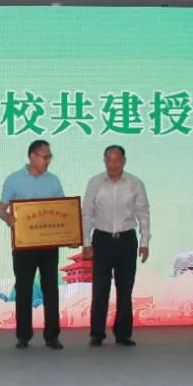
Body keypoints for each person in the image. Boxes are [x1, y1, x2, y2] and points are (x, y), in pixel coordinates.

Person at [0, 139, 65, 350]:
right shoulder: (14, 180)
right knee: (24, 288)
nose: (48, 161)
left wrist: (69, 234)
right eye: (45, 157)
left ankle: (52, 335)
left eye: (49, 157)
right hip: (24, 245)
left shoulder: (53, 181)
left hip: (49, 244)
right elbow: (0, 209)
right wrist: (7, 218)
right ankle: (23, 335)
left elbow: (64, 210)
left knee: (50, 288)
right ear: (32, 156)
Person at [82, 145, 151, 347]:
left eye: (117, 160)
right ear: (104, 161)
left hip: (126, 240)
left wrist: (145, 242)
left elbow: (143, 213)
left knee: (125, 288)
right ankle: (97, 333)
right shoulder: (95, 182)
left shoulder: (135, 183)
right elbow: (87, 213)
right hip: (102, 239)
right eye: (109, 160)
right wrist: (86, 241)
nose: (113, 164)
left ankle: (123, 334)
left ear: (124, 161)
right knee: (100, 288)